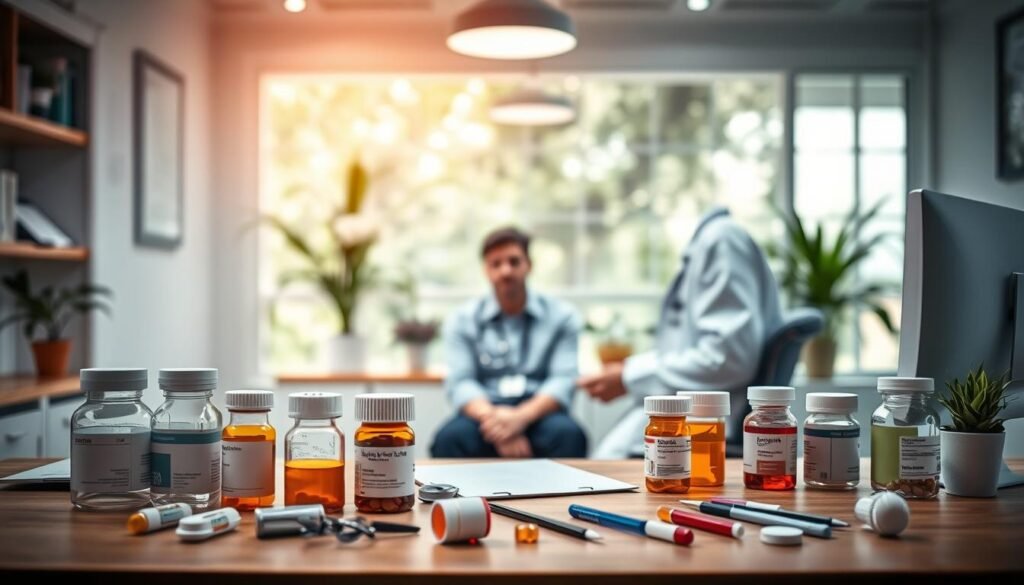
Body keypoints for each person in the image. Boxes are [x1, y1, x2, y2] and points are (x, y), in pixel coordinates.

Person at [578, 207, 782, 459]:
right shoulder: (710, 241)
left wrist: (629, 375)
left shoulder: (721, 240)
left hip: (706, 419)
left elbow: (728, 357)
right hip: (687, 409)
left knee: (606, 464)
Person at [430, 227, 588, 458]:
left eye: (514, 261)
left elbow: (563, 379)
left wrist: (520, 418)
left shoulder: (562, 316)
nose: (506, 270)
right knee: (449, 439)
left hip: (539, 412)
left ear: (529, 265)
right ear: (486, 269)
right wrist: (496, 421)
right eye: (496, 263)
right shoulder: (461, 320)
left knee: (569, 435)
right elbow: (461, 382)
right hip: (484, 412)